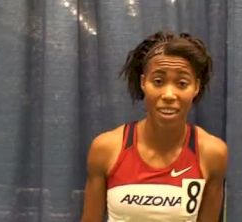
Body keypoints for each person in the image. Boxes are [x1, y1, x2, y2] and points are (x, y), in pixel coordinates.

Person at [81, 31, 228, 222]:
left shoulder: (213, 154)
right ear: (144, 82)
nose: (168, 94)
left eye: (182, 83)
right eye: (158, 81)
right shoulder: (106, 148)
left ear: (196, 87)